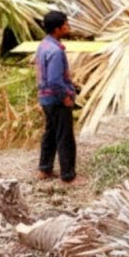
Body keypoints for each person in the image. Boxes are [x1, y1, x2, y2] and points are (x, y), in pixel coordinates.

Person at [34, 10, 77, 183]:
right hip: (56, 99)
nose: (68, 27)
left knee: (50, 133)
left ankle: (45, 169)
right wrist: (65, 95)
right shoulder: (56, 51)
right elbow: (54, 80)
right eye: (66, 24)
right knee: (65, 136)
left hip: (45, 98)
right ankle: (68, 175)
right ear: (57, 29)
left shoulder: (44, 45)